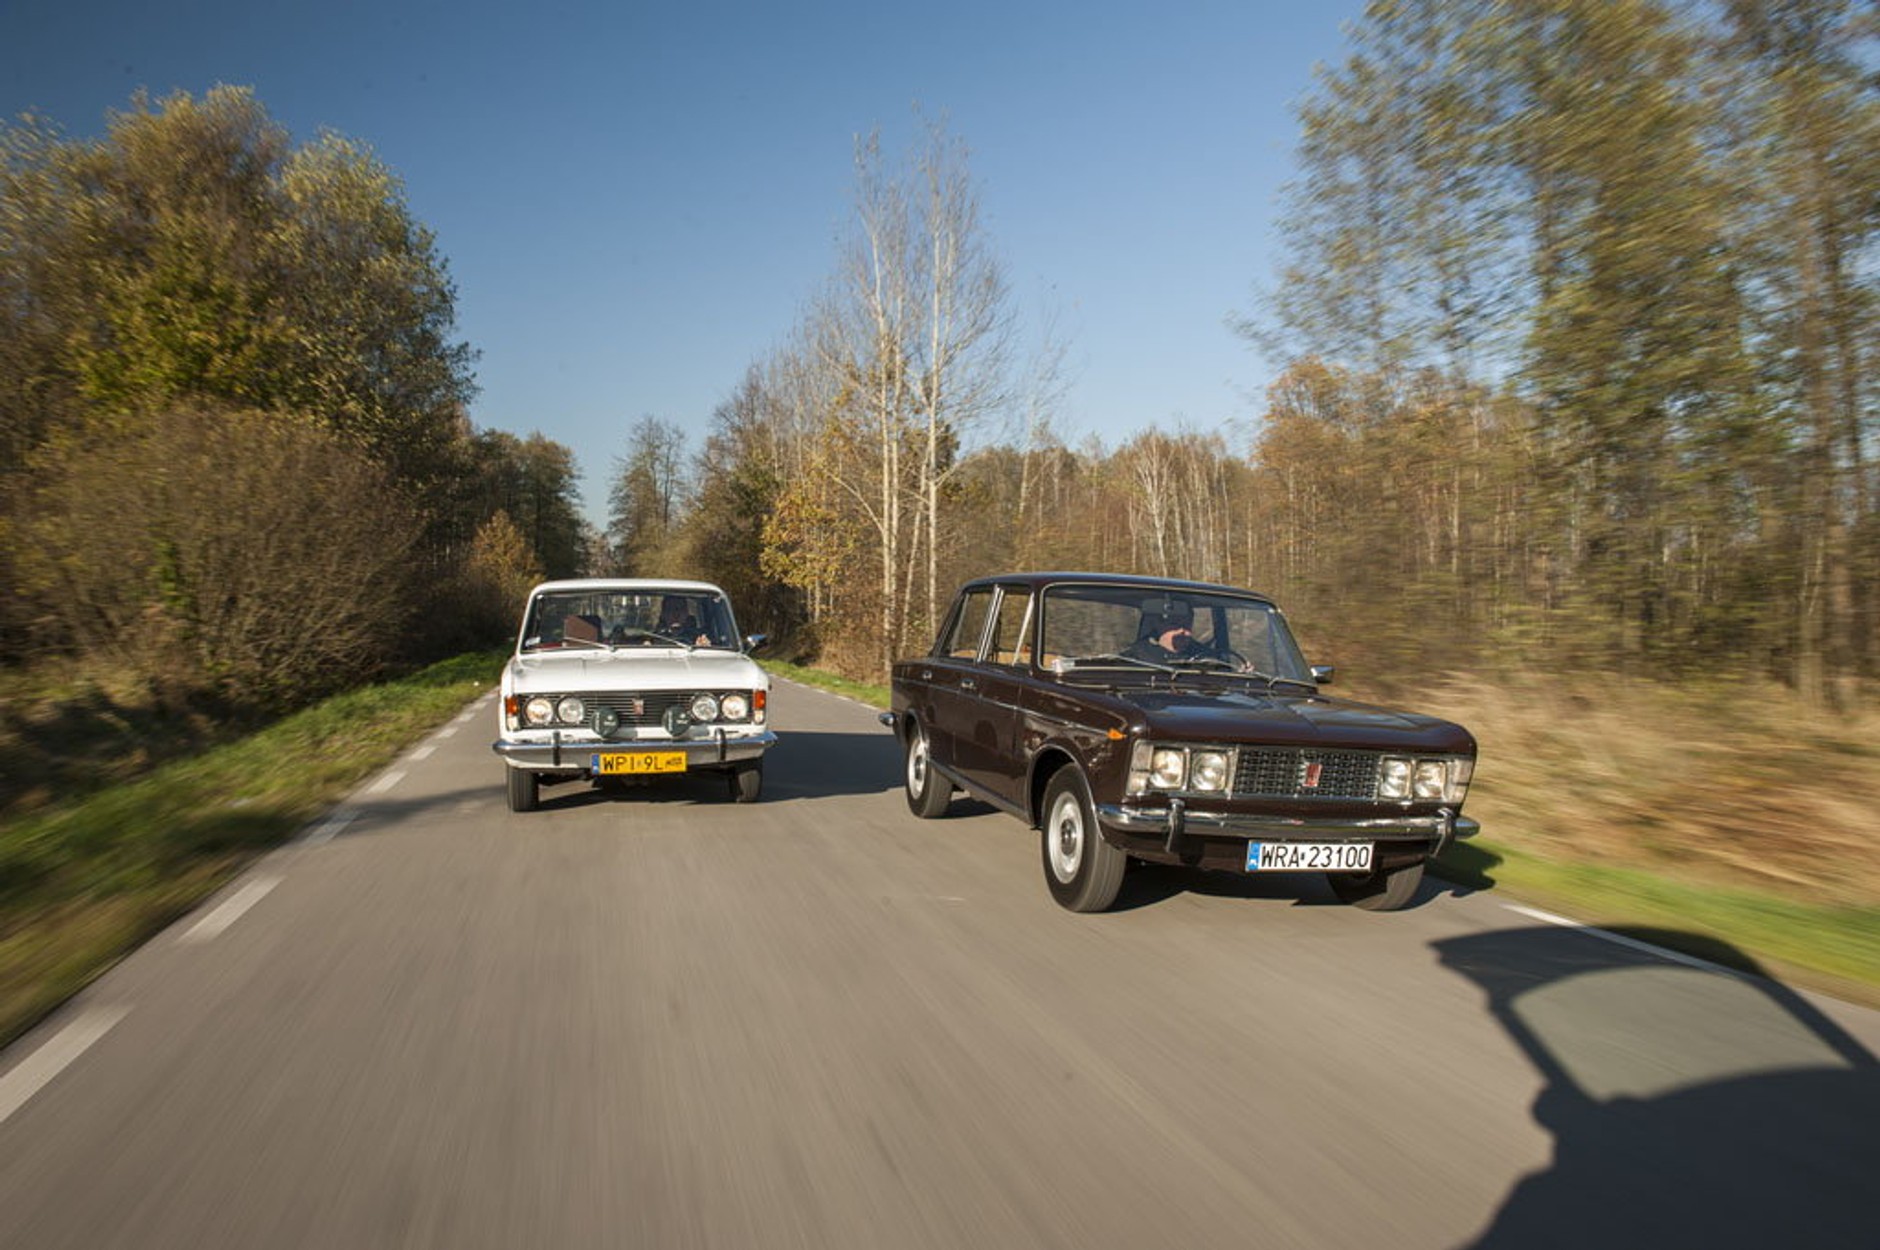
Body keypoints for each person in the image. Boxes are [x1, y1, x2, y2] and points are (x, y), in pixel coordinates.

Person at [1123, 603, 1213, 664]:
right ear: (1158, 625)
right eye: (1175, 625)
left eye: (1186, 626)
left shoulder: (1205, 658)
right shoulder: (1133, 658)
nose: (1182, 631)